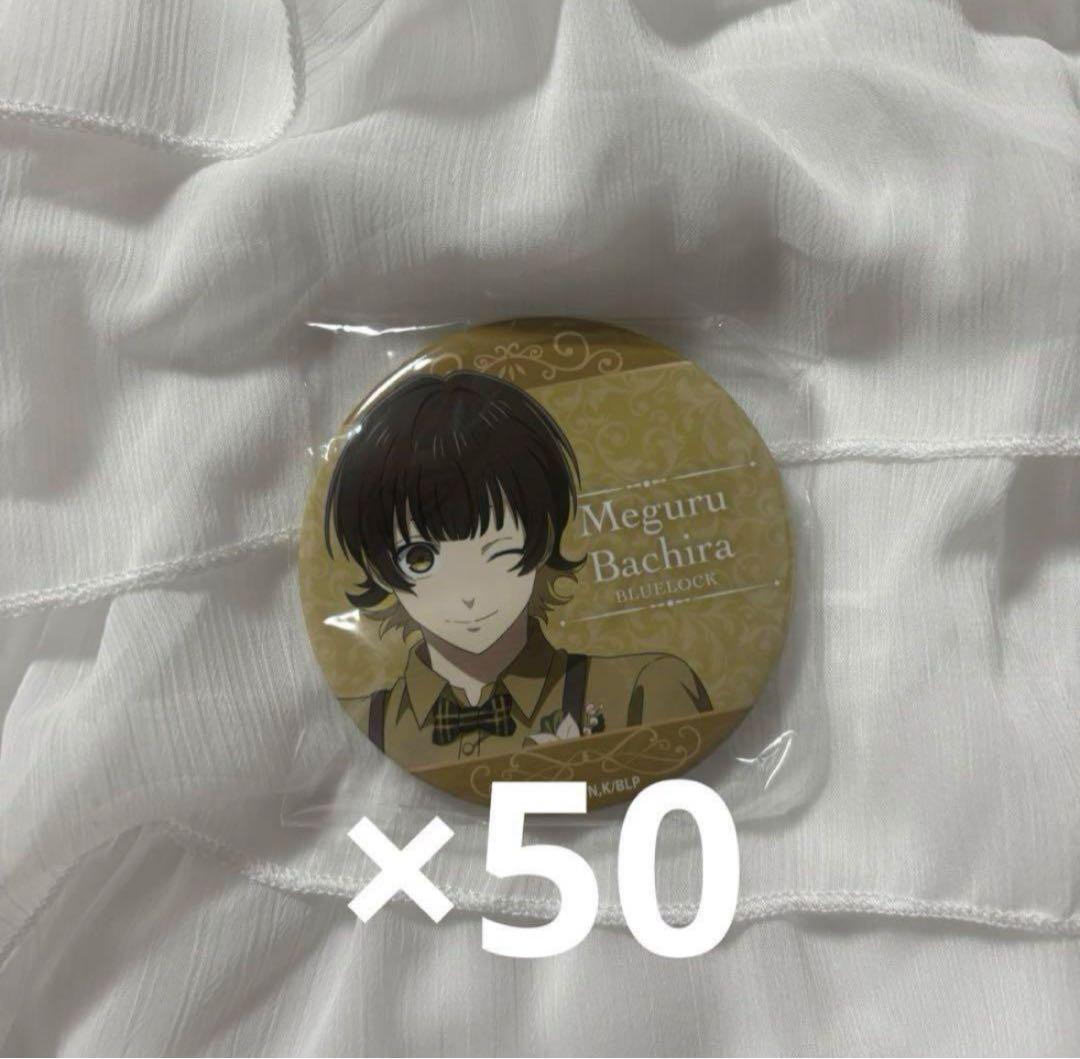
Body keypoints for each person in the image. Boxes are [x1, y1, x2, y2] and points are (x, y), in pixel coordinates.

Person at [324, 369, 712, 767]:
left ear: (542, 540)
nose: (468, 595)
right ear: (378, 565)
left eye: (499, 551)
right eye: (420, 559)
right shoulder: (357, 727)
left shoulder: (643, 693)